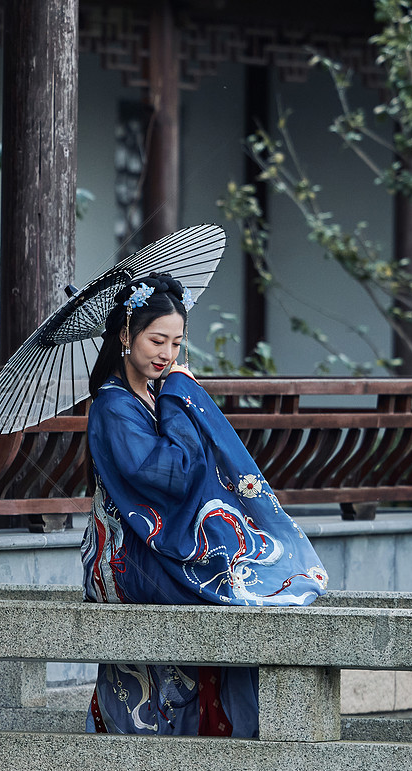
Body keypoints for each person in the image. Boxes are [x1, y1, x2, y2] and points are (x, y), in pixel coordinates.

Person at [82, 273, 328, 737]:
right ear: (124, 335)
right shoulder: (113, 405)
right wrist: (179, 394)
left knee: (249, 574)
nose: (167, 354)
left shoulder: (153, 394)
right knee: (236, 588)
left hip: (153, 544)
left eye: (176, 343)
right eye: (157, 340)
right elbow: (172, 475)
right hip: (126, 556)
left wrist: (173, 394)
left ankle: (235, 732)